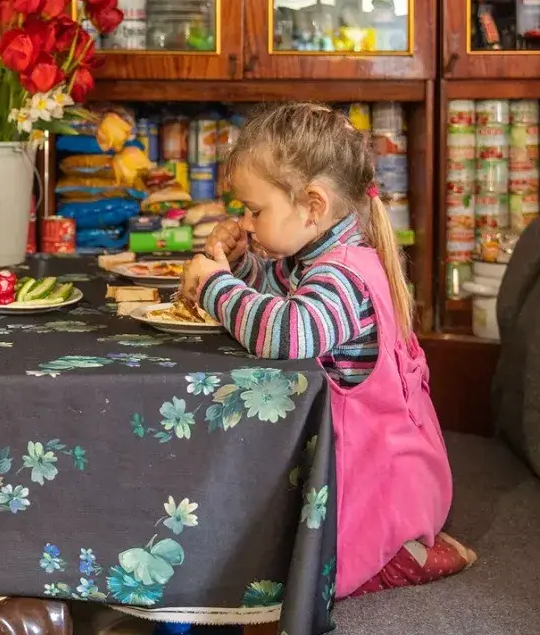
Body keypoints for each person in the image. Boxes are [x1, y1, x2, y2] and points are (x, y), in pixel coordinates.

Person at [180, 102, 475, 599]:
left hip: (376, 483)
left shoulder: (340, 276)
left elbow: (287, 332)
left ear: (312, 205)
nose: (246, 223)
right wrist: (240, 267)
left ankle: (407, 553)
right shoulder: (324, 254)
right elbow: (281, 295)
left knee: (306, 576)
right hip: (375, 465)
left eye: (256, 210)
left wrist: (215, 288)